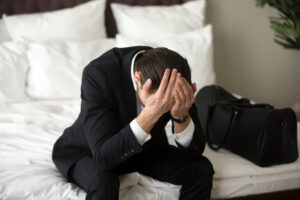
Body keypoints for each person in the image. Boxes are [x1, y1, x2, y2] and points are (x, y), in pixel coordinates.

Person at [52, 46, 214, 200]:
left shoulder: (174, 75)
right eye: (161, 104)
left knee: (200, 169)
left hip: (144, 149)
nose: (164, 109)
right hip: (89, 152)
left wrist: (181, 116)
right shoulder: (98, 74)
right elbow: (103, 159)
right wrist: (150, 114)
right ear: (138, 79)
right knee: (103, 181)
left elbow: (195, 150)